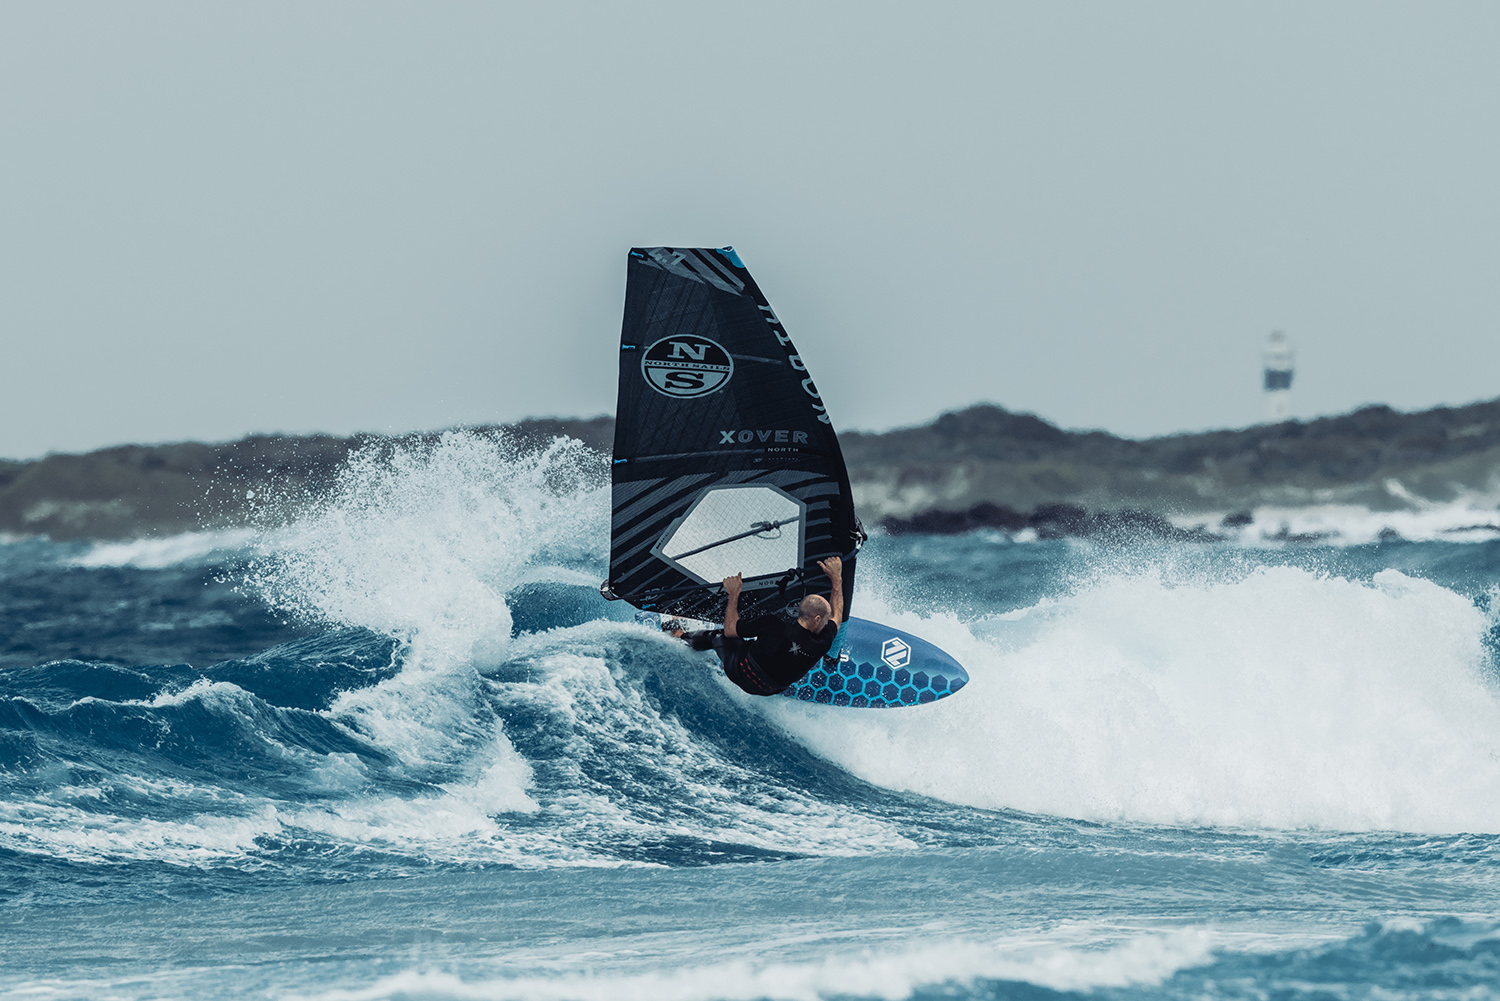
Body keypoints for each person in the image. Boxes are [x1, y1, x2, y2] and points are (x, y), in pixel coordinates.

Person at [671, 556, 844, 696]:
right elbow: (837, 615)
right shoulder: (823, 642)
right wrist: (836, 579)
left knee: (719, 636)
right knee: (755, 645)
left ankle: (678, 635)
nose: (827, 623)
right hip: (771, 690)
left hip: (742, 673)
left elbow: (730, 631)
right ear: (817, 619)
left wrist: (734, 593)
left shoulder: (772, 625)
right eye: (825, 620)